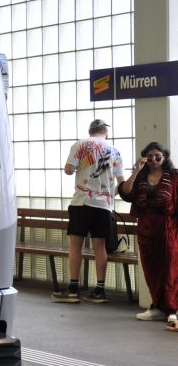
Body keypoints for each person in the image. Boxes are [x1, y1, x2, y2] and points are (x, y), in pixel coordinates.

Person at [57, 119, 125, 304]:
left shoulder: (80, 144)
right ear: (106, 133)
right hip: (103, 205)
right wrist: (109, 196)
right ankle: (100, 291)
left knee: (75, 244)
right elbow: (122, 183)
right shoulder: (115, 151)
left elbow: (69, 170)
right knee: (100, 246)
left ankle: (73, 289)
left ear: (90, 131)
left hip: (82, 202)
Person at [118, 141, 178, 328]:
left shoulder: (174, 176)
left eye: (158, 156)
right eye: (150, 156)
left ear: (165, 157)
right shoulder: (141, 177)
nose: (154, 160)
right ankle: (158, 307)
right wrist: (135, 171)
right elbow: (126, 194)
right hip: (146, 228)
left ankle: (172, 309)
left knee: (170, 267)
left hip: (168, 227)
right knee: (151, 270)